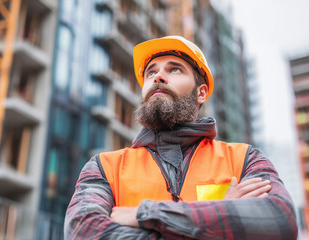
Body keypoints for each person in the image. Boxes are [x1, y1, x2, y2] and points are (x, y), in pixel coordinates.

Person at [64, 36, 298, 239]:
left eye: (174, 69)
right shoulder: (105, 166)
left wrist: (145, 214)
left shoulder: (244, 159)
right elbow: (83, 231)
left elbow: (280, 220)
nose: (158, 77)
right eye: (151, 72)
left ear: (201, 92)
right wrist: (218, 216)